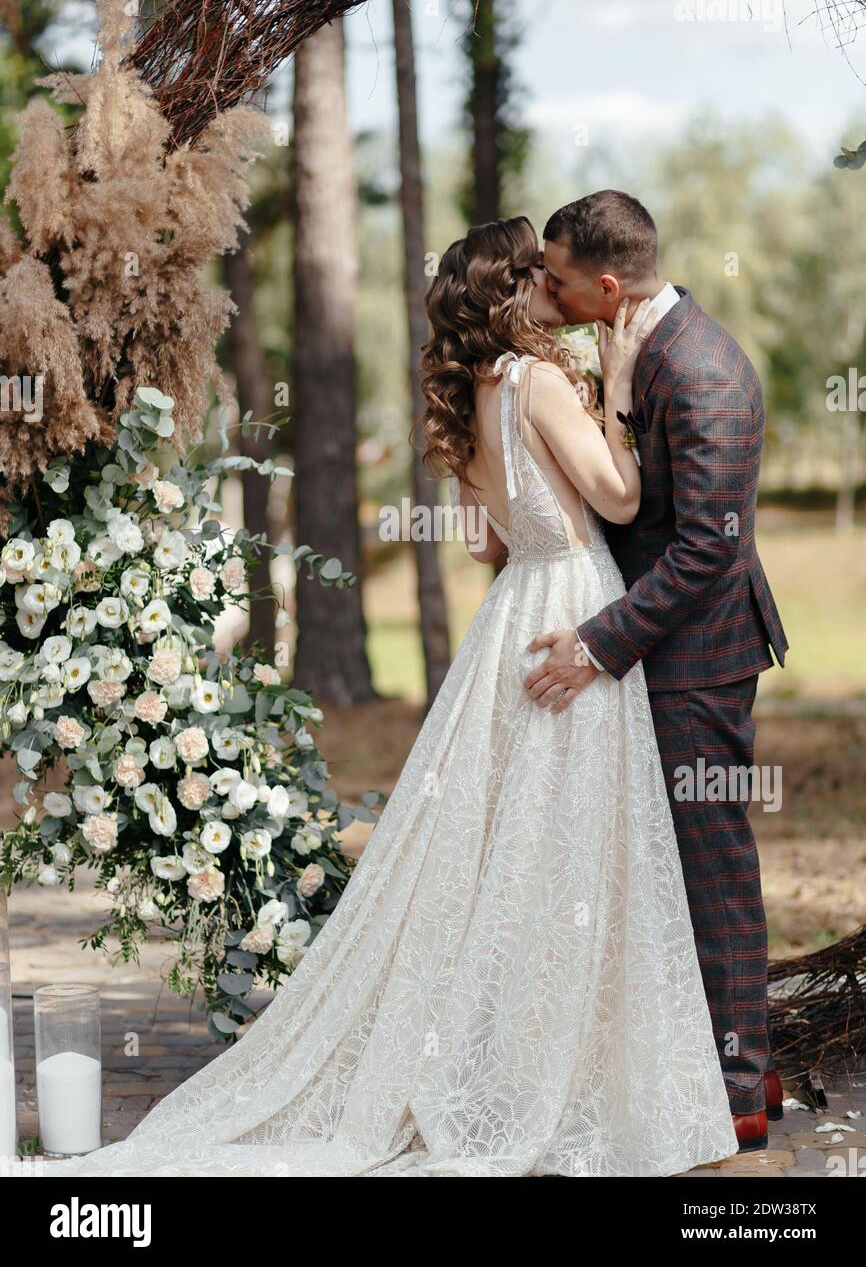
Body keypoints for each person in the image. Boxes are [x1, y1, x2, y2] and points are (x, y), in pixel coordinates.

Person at [43, 215, 739, 1178]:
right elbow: (620, 502)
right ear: (514, 293)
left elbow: (480, 544)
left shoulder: (470, 393)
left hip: (513, 611)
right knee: (577, 840)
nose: (552, 282)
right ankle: (571, 1067)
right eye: (536, 271)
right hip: (576, 601)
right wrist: (616, 397)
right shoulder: (538, 380)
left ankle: (531, 1060)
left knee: (513, 842)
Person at [525, 190, 789, 1149]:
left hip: (699, 658)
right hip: (656, 651)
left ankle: (739, 1096)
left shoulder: (705, 369)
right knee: (658, 869)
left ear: (604, 284)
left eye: (554, 276)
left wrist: (598, 644)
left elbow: (707, 554)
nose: (543, 289)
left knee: (711, 869)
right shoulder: (640, 353)